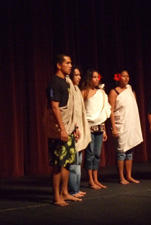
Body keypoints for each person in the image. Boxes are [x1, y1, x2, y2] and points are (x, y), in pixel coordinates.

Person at [44, 54, 82, 206]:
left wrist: (75, 127)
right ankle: (56, 196)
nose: (70, 65)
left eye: (71, 63)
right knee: (58, 162)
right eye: (67, 63)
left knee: (67, 162)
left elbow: (71, 109)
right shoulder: (55, 82)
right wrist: (62, 129)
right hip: (59, 128)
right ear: (59, 65)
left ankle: (65, 193)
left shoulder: (67, 82)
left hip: (69, 127)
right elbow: (55, 107)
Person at [108, 70, 143, 184]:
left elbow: (133, 110)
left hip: (130, 125)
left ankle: (129, 176)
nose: (126, 78)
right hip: (120, 125)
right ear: (118, 78)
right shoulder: (114, 92)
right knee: (121, 152)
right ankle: (121, 177)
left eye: (128, 76)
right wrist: (113, 127)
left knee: (129, 151)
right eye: (124, 76)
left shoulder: (130, 91)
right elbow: (111, 111)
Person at [81, 69, 111, 189]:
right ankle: (90, 180)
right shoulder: (84, 92)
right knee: (90, 153)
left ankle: (96, 178)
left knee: (97, 154)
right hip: (88, 126)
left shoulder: (101, 93)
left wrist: (104, 130)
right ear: (88, 78)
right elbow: (81, 111)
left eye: (97, 77)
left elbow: (103, 112)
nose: (96, 79)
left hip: (99, 126)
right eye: (94, 77)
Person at [68, 66, 91, 197]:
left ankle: (76, 188)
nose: (79, 77)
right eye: (76, 75)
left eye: (79, 75)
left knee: (78, 162)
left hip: (79, 128)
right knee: (73, 163)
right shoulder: (70, 89)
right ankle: (72, 190)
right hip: (74, 129)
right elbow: (72, 112)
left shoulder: (76, 89)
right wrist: (75, 128)